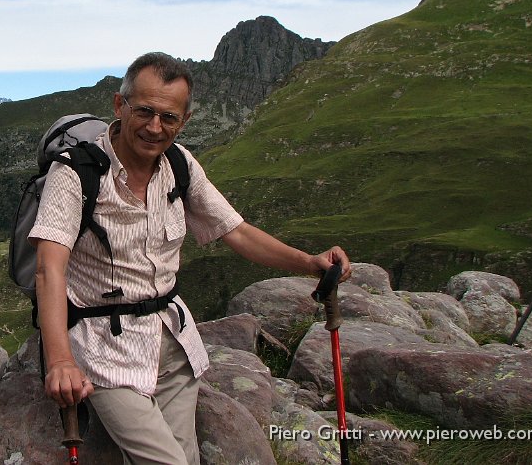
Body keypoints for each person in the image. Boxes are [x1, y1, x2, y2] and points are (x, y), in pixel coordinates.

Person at [30, 51, 351, 464]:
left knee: (185, 458)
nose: (154, 127)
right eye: (144, 111)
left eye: (169, 117)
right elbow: (48, 268)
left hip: (174, 342)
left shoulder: (179, 164)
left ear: (184, 120)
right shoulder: (75, 173)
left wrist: (310, 263)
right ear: (119, 105)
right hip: (104, 347)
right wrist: (59, 361)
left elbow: (237, 232)